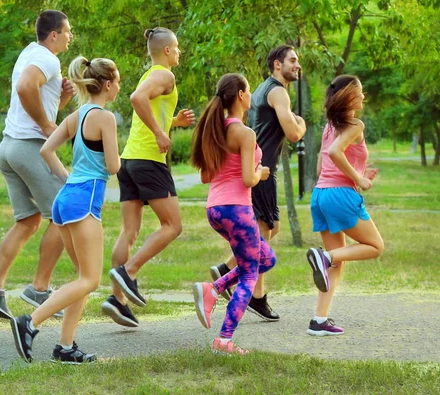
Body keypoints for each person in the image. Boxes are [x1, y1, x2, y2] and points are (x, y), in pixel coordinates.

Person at [11, 55, 121, 363]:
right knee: (90, 280)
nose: (118, 88)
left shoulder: (77, 115)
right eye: (118, 82)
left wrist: (67, 177)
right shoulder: (104, 117)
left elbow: (47, 150)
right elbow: (112, 166)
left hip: (66, 199)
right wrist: (120, 159)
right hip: (84, 202)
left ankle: (65, 347)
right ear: (109, 84)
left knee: (81, 279)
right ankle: (29, 323)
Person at [0, 10, 74, 320]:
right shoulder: (47, 58)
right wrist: (47, 124)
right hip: (29, 148)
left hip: (9, 148)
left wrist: (58, 104)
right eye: (67, 31)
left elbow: (29, 95)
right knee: (65, 212)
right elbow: (24, 89)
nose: (71, 36)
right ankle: (39, 289)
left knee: (28, 221)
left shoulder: (29, 54)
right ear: (54, 34)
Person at [102, 27, 195, 327]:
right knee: (173, 225)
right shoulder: (164, 75)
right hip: (148, 161)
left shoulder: (151, 75)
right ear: (166, 50)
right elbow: (136, 98)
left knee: (129, 232)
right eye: (177, 47)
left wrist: (171, 124)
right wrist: (159, 132)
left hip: (130, 160)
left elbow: (147, 106)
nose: (179, 52)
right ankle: (129, 272)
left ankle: (117, 299)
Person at [209, 45, 306, 321]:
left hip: (261, 167)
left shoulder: (263, 89)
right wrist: (302, 123)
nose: (297, 65)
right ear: (277, 64)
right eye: (292, 60)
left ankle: (227, 269)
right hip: (259, 170)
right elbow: (293, 133)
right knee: (263, 230)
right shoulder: (277, 91)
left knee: (271, 227)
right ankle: (256, 295)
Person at [191, 73, 276, 355]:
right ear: (240, 95)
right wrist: (261, 172)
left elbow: (206, 176)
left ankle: (213, 288)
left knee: (267, 258)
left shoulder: (215, 130)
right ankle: (224, 339)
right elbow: (248, 179)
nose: (251, 95)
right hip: (238, 210)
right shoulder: (244, 133)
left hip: (215, 209)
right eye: (249, 90)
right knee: (251, 273)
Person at [305, 75, 383, 336]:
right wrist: (357, 178)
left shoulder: (330, 125)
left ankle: (319, 320)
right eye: (360, 91)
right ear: (349, 95)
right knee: (375, 246)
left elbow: (321, 165)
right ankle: (323, 256)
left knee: (337, 263)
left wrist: (358, 173)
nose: (363, 96)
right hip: (340, 195)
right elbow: (335, 153)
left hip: (321, 195)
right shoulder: (354, 125)